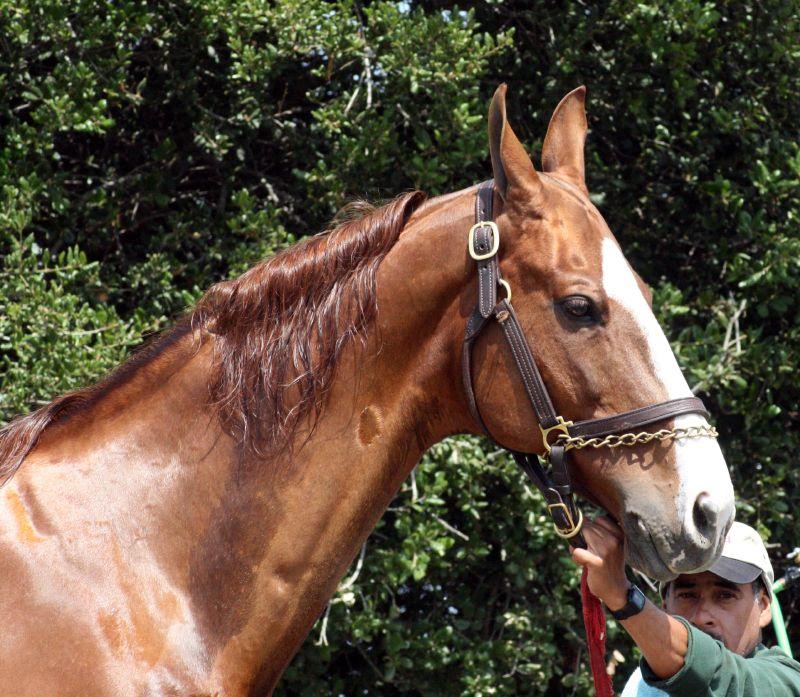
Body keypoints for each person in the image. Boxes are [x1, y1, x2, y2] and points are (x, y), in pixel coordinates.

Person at [572, 518, 800, 696]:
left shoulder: (786, 682)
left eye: (725, 596)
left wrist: (621, 594)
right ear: (664, 607)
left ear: (763, 606)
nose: (701, 617)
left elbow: (722, 678)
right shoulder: (641, 686)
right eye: (688, 595)